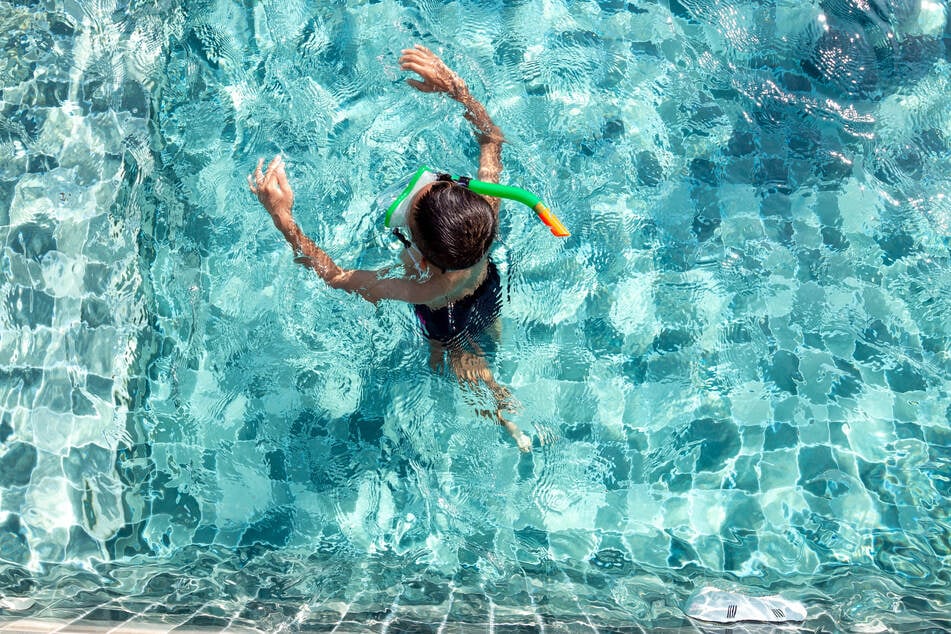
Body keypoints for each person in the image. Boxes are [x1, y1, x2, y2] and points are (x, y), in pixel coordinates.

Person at [248, 45, 532, 451]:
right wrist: (457, 90)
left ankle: (508, 423)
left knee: (466, 366)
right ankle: (500, 385)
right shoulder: (486, 213)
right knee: (490, 327)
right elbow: (492, 141)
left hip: (447, 322)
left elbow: (335, 277)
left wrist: (282, 218)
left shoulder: (426, 288)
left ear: (420, 255)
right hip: (488, 287)